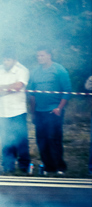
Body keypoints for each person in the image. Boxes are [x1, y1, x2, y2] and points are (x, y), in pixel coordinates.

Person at [0, 50, 30, 175]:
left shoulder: (22, 70)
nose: (5, 62)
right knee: (6, 139)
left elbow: (18, 86)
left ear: (14, 60)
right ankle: (8, 166)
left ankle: (24, 167)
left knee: (21, 140)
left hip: (17, 111)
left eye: (8, 60)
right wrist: (9, 89)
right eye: (4, 59)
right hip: (1, 111)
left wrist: (2, 88)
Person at [28, 47, 71, 175]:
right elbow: (32, 93)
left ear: (49, 55)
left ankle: (60, 167)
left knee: (53, 139)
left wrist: (59, 108)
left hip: (54, 111)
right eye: (38, 56)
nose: (39, 58)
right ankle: (48, 167)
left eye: (42, 55)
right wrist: (33, 112)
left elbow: (67, 91)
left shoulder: (59, 70)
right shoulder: (35, 72)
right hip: (39, 111)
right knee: (41, 140)